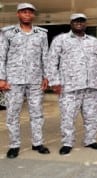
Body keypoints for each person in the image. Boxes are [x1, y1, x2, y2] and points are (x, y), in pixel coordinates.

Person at [47, 13, 97, 155]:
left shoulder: (93, 41)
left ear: (86, 24)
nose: (79, 23)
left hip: (91, 87)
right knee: (68, 117)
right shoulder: (60, 40)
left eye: (82, 21)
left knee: (92, 116)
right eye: (76, 21)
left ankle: (90, 140)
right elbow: (52, 61)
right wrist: (54, 81)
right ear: (71, 23)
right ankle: (67, 143)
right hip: (69, 87)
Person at [0, 3, 50, 158]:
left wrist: (47, 76)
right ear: (18, 14)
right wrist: (1, 78)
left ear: (33, 15)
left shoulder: (41, 34)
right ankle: (14, 145)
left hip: (35, 80)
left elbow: (45, 56)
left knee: (37, 113)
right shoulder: (8, 33)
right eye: (24, 12)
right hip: (13, 80)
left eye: (30, 12)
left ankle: (37, 143)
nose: (27, 14)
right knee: (13, 114)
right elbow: (1, 56)